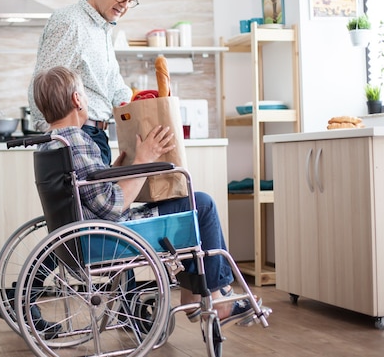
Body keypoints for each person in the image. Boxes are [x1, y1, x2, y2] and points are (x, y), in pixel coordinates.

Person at [32, 66, 260, 326]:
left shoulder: (53, 142)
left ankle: (191, 294)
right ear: (77, 99)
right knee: (202, 204)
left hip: (85, 235)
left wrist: (116, 170)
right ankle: (218, 297)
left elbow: (84, 189)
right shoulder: (79, 141)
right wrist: (144, 159)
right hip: (109, 237)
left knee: (181, 208)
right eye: (84, 93)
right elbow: (111, 207)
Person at [28, 0, 142, 165]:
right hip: (78, 137)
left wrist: (143, 105)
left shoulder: (102, 28)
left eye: (131, 0)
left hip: (96, 137)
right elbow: (42, 85)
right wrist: (55, 139)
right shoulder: (70, 22)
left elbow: (114, 87)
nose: (125, 5)